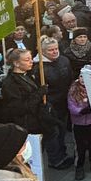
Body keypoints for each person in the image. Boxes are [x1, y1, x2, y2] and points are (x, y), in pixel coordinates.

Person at [37, 37, 75, 170]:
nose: (54, 52)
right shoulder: (39, 67)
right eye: (50, 50)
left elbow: (70, 78)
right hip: (50, 105)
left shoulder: (64, 60)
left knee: (62, 130)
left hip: (64, 102)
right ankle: (55, 159)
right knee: (53, 133)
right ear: (43, 51)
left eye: (56, 49)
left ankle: (62, 154)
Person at [0, 48, 50, 135]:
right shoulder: (10, 83)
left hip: (36, 121)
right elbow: (19, 108)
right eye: (27, 60)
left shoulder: (27, 75)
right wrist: (39, 93)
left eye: (31, 58)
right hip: (25, 125)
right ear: (16, 63)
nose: (31, 61)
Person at [67, 67, 91, 180]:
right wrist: (81, 111)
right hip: (78, 123)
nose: (83, 79)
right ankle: (79, 166)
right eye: (81, 76)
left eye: (86, 77)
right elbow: (71, 106)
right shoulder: (73, 90)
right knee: (80, 146)